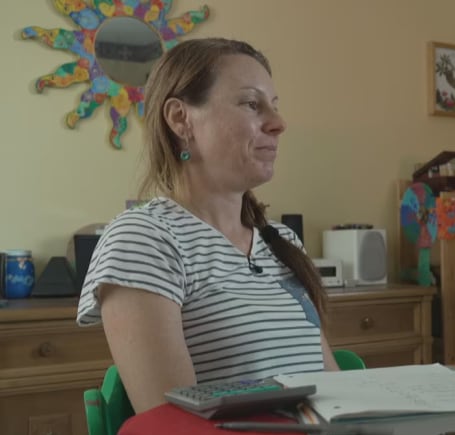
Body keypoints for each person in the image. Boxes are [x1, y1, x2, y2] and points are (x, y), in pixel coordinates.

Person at [76, 38, 338, 414]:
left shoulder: (283, 240)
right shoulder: (144, 240)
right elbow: (171, 426)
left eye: (275, 107)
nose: (278, 124)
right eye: (252, 104)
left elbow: (333, 392)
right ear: (181, 119)